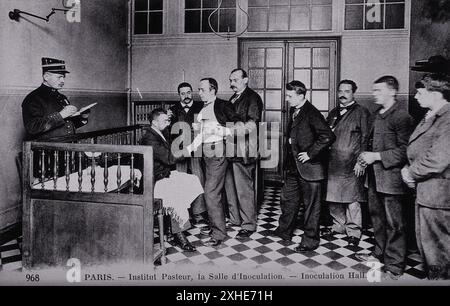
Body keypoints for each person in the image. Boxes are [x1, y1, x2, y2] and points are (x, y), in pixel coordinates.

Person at [355, 76, 415, 280]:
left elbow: (407, 150)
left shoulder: (402, 117)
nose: (374, 94)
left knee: (395, 223)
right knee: (377, 219)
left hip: (392, 180)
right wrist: (363, 158)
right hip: (374, 178)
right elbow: (368, 142)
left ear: (392, 91)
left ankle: (395, 264)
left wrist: (377, 156)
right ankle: (379, 253)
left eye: (378, 90)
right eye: (373, 90)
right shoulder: (375, 115)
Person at [271, 80, 335, 252]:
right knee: (288, 199)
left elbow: (328, 136)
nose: (287, 99)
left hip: (310, 168)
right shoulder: (295, 110)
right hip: (294, 167)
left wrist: (310, 153)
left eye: (290, 96)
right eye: (287, 95)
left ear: (301, 96)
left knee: (312, 207)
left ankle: (310, 240)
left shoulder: (311, 113)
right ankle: (284, 231)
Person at [401, 74, 450, 280]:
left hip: (438, 195)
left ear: (436, 94)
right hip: (426, 193)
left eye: (420, 93)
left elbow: (438, 158)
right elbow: (419, 149)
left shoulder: (447, 118)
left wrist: (410, 172)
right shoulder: (432, 114)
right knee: (427, 247)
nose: (415, 97)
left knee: (438, 250)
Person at [139, 108, 203, 252]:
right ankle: (178, 234)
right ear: (154, 122)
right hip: (153, 181)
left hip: (162, 175)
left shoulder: (159, 132)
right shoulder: (150, 138)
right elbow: (169, 158)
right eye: (164, 121)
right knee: (176, 196)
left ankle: (172, 228)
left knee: (192, 180)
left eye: (168, 120)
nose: (168, 123)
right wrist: (191, 148)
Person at [187, 78, 241, 247]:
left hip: (218, 153)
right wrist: (189, 149)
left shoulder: (223, 105)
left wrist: (221, 130)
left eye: (202, 89)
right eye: (199, 89)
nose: (199, 92)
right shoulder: (203, 109)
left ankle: (218, 233)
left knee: (211, 193)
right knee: (214, 191)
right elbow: (201, 135)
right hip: (206, 154)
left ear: (212, 90)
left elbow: (238, 126)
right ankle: (219, 226)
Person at [323, 80, 371, 246]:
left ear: (353, 93)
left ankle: (354, 231)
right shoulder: (333, 112)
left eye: (347, 91)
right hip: (333, 163)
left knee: (352, 199)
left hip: (352, 164)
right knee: (333, 197)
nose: (342, 94)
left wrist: (362, 161)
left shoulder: (362, 112)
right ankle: (338, 226)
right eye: (340, 91)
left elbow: (365, 138)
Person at [225, 68, 263, 239]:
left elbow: (252, 124)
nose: (232, 83)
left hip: (244, 149)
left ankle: (248, 224)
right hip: (231, 149)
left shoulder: (253, 98)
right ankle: (235, 220)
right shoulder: (233, 98)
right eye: (231, 80)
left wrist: (229, 131)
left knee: (244, 189)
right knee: (231, 186)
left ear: (246, 80)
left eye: (236, 80)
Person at [22, 57, 90, 141]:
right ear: (46, 76)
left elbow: (66, 126)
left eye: (64, 77)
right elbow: (32, 128)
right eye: (59, 77)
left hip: (66, 149)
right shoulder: (32, 98)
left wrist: (82, 117)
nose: (63, 81)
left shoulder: (62, 97)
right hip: (46, 151)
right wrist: (60, 115)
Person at [169, 82, 208, 227]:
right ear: (179, 94)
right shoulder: (172, 110)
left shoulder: (202, 107)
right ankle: (183, 214)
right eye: (183, 93)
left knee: (199, 178)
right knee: (180, 179)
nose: (186, 96)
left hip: (196, 148)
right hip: (179, 149)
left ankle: (199, 214)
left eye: (188, 92)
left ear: (192, 92)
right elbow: (169, 132)